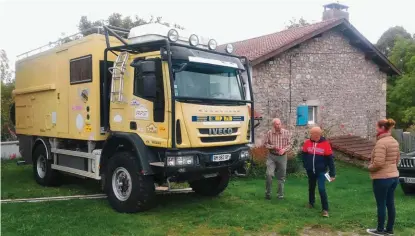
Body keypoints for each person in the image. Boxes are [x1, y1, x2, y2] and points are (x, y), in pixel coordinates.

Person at [366, 119, 400, 236]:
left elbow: (378, 163)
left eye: (377, 127)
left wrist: (370, 167)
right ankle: (389, 230)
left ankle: (380, 230)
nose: (376, 129)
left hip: (382, 178)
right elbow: (397, 160)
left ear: (381, 128)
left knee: (381, 203)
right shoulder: (394, 141)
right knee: (390, 203)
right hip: (394, 177)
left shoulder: (381, 143)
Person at [301, 126, 335, 217]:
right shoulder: (307, 143)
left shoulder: (325, 144)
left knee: (321, 188)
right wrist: (305, 165)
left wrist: (332, 174)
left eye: (315, 135)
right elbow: (304, 155)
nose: (313, 136)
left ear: (318, 135)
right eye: (311, 134)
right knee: (311, 187)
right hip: (310, 170)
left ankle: (325, 209)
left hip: (321, 171)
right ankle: (311, 203)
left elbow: (330, 160)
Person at [263, 118, 293, 200]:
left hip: (282, 157)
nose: (278, 125)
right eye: (276, 124)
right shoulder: (269, 133)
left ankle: (280, 195)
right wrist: (273, 147)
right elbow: (265, 144)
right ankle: (268, 194)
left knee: (281, 176)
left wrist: (284, 149)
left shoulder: (286, 133)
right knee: (269, 174)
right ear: (273, 125)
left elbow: (290, 144)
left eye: (279, 124)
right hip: (271, 156)